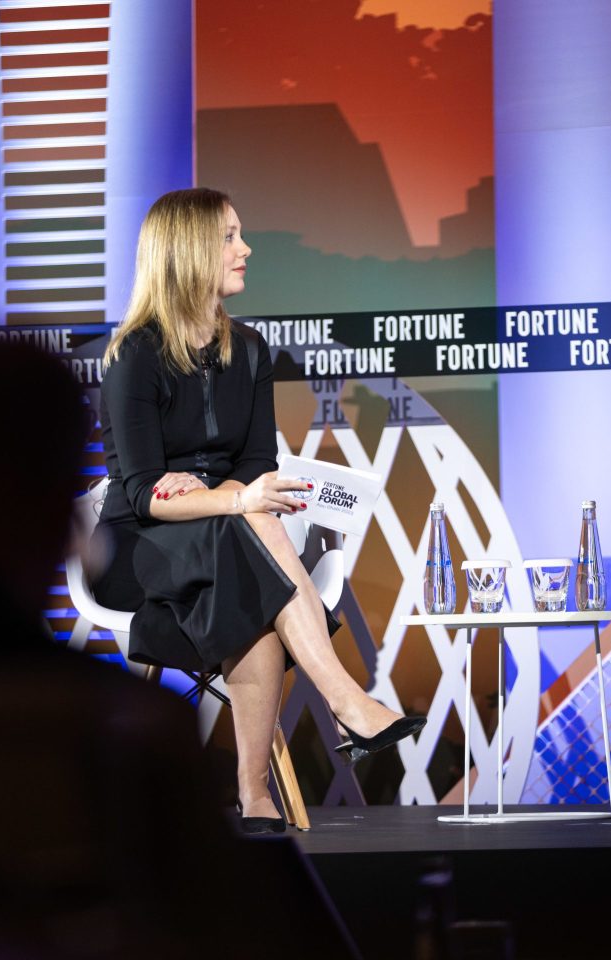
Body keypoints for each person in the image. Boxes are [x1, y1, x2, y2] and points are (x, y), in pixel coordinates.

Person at [91, 187, 422, 832]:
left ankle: (258, 796)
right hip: (140, 548)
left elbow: (256, 463)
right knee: (250, 539)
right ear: (188, 251)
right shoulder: (135, 356)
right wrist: (230, 499)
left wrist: (222, 496)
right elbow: (144, 495)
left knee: (250, 571)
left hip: (228, 538)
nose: (245, 249)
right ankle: (342, 702)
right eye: (229, 237)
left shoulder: (248, 348)